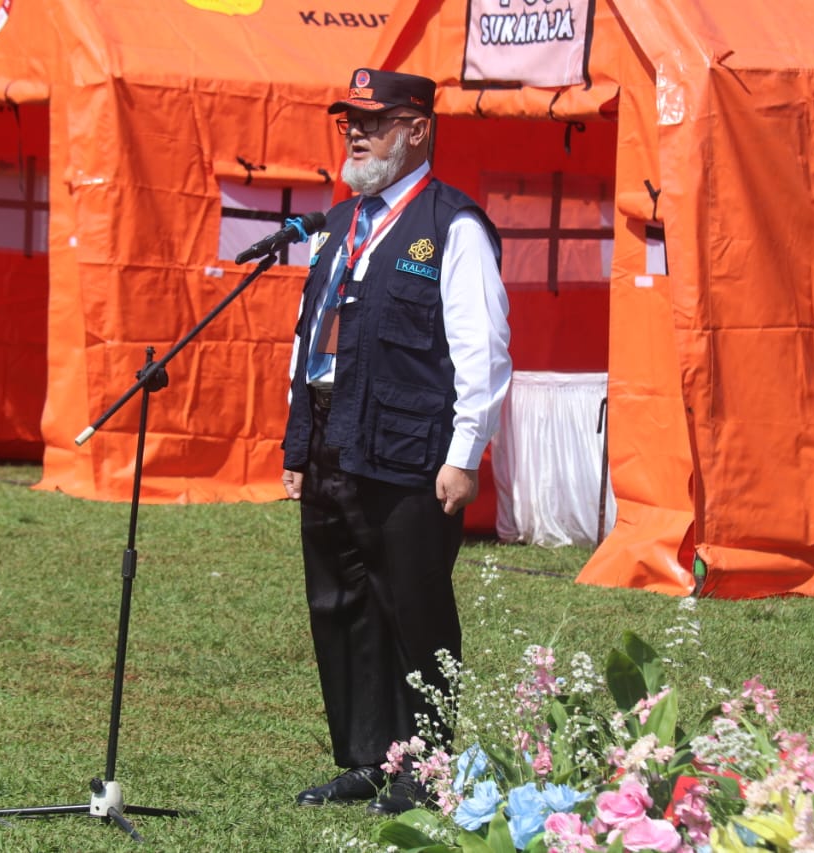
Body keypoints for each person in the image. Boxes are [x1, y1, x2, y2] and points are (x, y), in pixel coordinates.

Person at [282, 68, 512, 817]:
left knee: (414, 610)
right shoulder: (339, 223)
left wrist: (465, 451)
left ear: (418, 129)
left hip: (411, 450)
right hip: (331, 440)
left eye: (374, 121)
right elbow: (309, 337)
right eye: (349, 118)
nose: (356, 131)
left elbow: (484, 349)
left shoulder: (454, 225)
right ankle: (364, 759)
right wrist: (296, 444)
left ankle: (428, 768)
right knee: (340, 602)